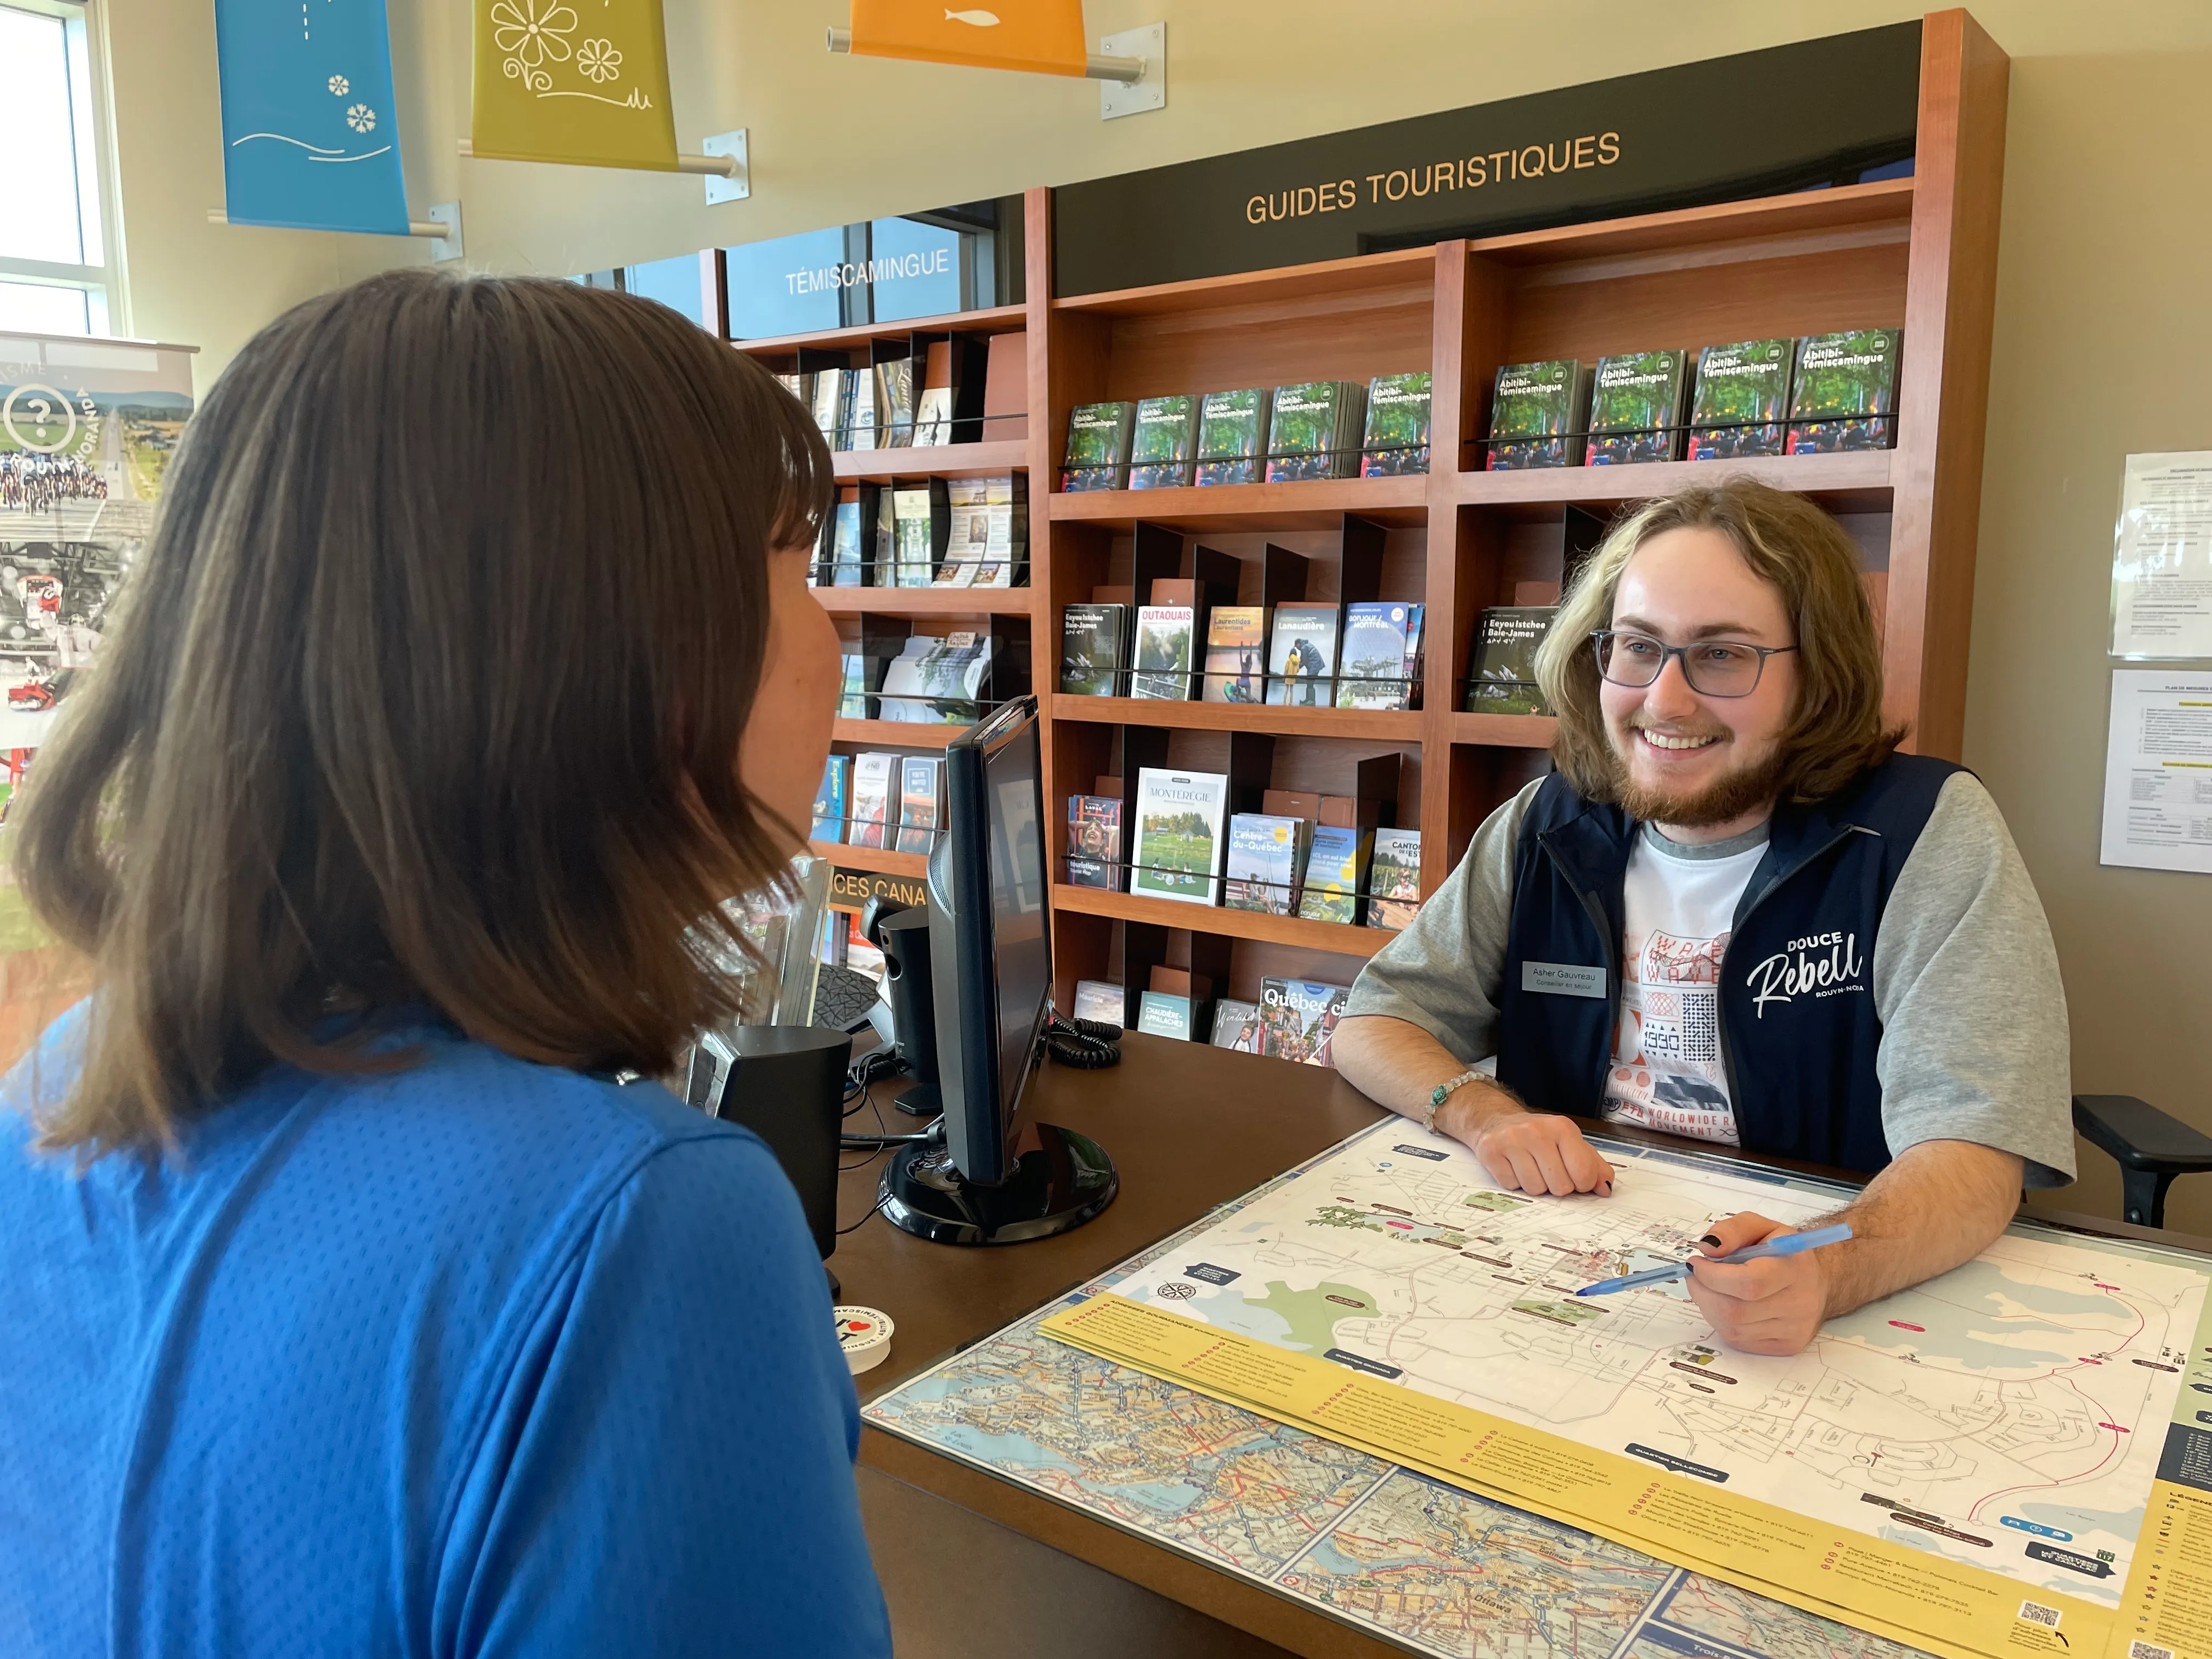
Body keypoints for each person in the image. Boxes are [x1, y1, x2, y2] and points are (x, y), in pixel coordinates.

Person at [0, 270, 893, 1656]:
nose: (836, 644)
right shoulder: (643, 1232)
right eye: (795, 573)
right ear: (624, 660)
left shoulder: (52, 1095)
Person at [1333, 479, 2073, 1358]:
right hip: (1566, 1283)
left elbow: (1978, 1148)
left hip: (1824, 1293)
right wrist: (1483, 1113)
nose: (1666, 702)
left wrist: (1833, 1267)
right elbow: (1376, 1021)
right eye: (1639, 648)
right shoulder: (1546, 823)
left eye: (1722, 656)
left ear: (1818, 673)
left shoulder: (1923, 831)